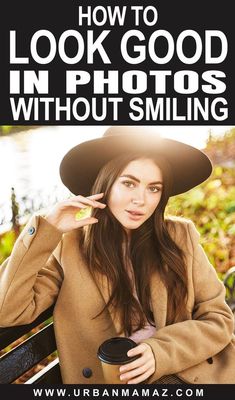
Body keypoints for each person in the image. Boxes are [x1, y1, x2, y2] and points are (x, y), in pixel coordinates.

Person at [0, 126, 234, 385]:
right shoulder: (69, 249)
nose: (141, 200)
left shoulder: (180, 238)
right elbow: (7, 311)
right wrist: (46, 229)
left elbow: (219, 319)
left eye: (154, 188)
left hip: (185, 376)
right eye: (128, 183)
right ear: (105, 184)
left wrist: (161, 352)